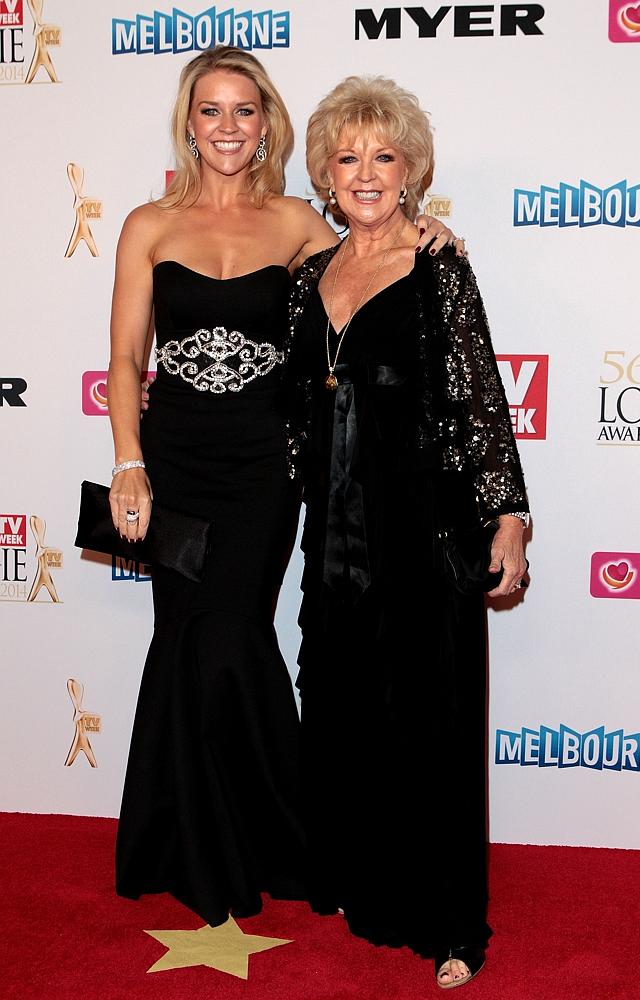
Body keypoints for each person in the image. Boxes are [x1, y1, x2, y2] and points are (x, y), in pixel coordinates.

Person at [107, 46, 459, 927]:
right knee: (186, 642)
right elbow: (123, 359)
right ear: (189, 123)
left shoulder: (301, 219)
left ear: (268, 122)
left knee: (231, 638)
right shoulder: (148, 224)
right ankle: (192, 838)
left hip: (266, 467)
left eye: (245, 110)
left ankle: (263, 834)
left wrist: (431, 232)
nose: (228, 126)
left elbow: (370, 261)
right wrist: (128, 461)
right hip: (174, 460)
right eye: (211, 110)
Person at [283, 76, 529, 989]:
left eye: (384, 156)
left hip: (423, 527)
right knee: (350, 708)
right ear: (328, 174)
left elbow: (479, 398)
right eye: (348, 158)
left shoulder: (440, 267)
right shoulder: (312, 274)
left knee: (435, 715)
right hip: (335, 533)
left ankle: (453, 921)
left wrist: (506, 516)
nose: (366, 173)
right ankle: (367, 880)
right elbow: (294, 407)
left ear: (411, 169)